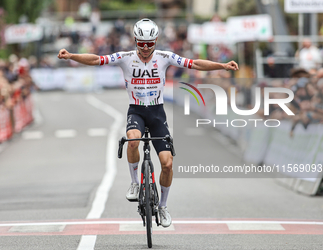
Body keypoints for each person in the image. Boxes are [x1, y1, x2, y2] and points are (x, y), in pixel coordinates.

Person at [58, 18, 238, 227]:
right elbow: (96, 59)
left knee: (167, 164)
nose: (145, 48)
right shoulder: (125, 57)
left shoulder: (164, 57)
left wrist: (222, 65)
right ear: (135, 40)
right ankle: (135, 183)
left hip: (157, 114)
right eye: (141, 43)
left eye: (149, 44)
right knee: (132, 141)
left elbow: (194, 64)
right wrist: (71, 56)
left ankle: (162, 206)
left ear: (155, 41)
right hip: (136, 111)